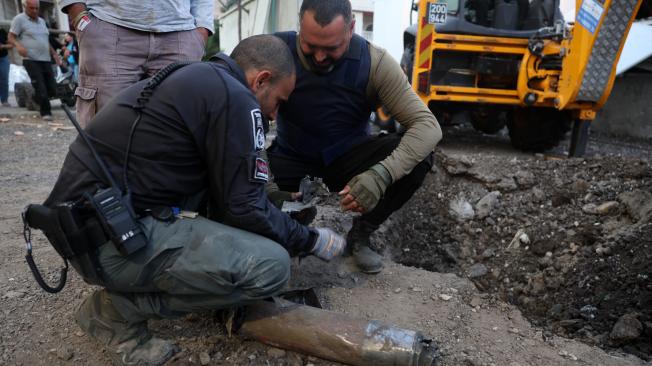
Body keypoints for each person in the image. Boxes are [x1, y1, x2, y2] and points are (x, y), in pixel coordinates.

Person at [42, 34, 345, 366]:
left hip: (92, 233)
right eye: (279, 102)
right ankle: (115, 312)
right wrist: (310, 240)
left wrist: (275, 201)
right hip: (110, 244)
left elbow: (228, 190)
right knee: (271, 266)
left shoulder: (199, 78)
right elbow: (243, 206)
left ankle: (169, 284)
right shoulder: (237, 98)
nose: (275, 115)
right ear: (261, 80)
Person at [268, 0, 442, 274]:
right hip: (290, 158)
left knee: (420, 158)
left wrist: (381, 175)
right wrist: (264, 186)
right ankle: (289, 224)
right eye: (310, 46)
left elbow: (427, 126)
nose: (320, 57)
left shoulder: (375, 63)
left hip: (348, 159)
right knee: (245, 191)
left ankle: (361, 235)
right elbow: (237, 115)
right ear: (299, 26)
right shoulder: (275, 52)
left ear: (351, 29)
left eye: (331, 48)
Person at [59, 0, 214, 127]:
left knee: (178, 132)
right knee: (105, 132)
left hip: (181, 33)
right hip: (108, 24)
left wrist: (202, 29)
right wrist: (78, 16)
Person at [9, 0, 62, 120]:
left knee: (52, 89)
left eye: (36, 8)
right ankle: (46, 113)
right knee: (41, 86)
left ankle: (34, 98)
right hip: (31, 59)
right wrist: (18, 46)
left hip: (46, 59)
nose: (34, 11)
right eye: (31, 8)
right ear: (25, 7)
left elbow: (45, 41)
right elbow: (11, 37)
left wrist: (55, 54)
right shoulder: (19, 19)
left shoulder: (42, 21)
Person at [0, 28, 12, 107]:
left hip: (3, 58)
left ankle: (4, 100)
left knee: (4, 79)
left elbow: (11, 45)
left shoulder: (2, 32)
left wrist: (3, 46)